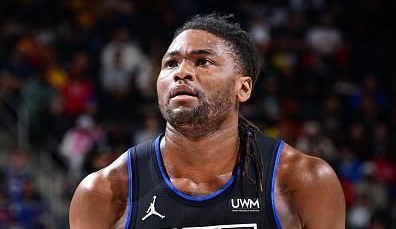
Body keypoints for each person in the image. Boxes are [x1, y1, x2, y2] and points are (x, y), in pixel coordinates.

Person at [69, 14, 345, 228]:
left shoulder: (303, 181)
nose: (182, 73)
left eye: (202, 62)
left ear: (244, 88)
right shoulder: (105, 192)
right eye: (170, 63)